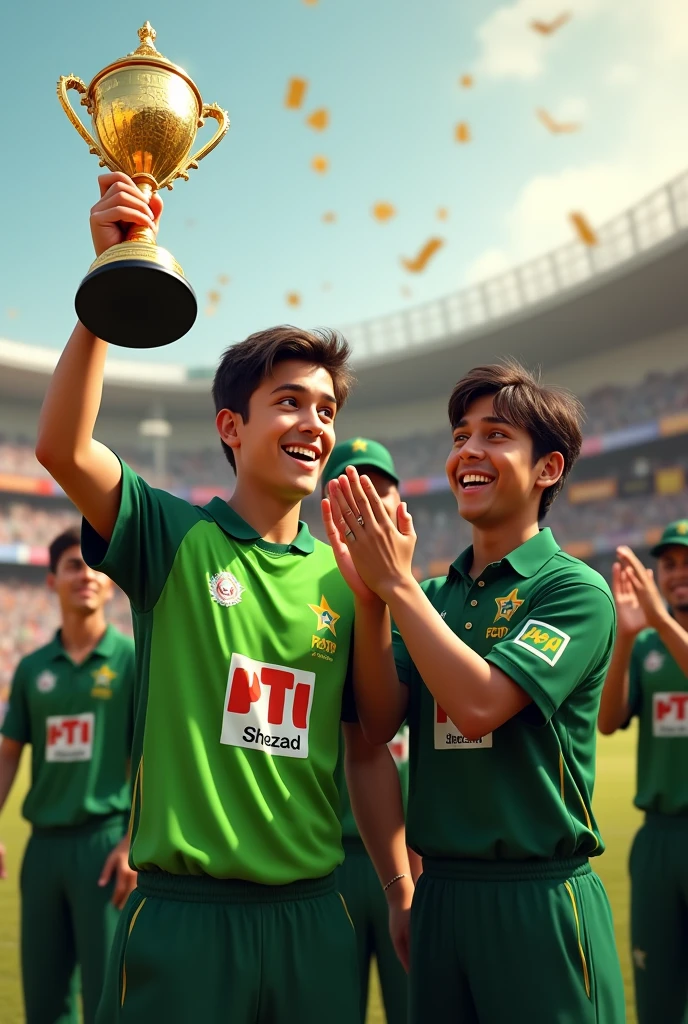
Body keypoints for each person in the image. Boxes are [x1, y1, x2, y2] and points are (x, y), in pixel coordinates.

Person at [34, 172, 412, 1024]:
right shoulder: (171, 538)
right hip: (184, 918)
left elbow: (375, 735)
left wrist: (381, 598)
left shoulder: (345, 580)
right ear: (231, 427)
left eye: (325, 407)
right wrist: (109, 284)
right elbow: (61, 447)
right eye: (288, 402)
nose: (314, 423)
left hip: (315, 916)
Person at [323, 361, 626, 1023]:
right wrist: (373, 603)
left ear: (547, 469)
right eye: (460, 436)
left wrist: (397, 588)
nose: (468, 452)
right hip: (440, 897)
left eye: (495, 435)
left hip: (538, 896)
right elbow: (376, 727)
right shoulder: (434, 597)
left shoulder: (573, 590)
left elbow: (481, 704)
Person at [0, 526, 136, 1024]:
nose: (86, 575)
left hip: (105, 847)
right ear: (50, 580)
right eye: (73, 566)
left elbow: (152, 755)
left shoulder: (132, 659)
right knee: (44, 998)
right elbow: (9, 754)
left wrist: (131, 841)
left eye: (95, 565)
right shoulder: (33, 669)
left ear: (110, 580)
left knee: (107, 1000)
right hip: (43, 851)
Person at [322, 438, 421, 1024]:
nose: (367, 499)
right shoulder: (307, 599)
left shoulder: (432, 606)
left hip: (422, 859)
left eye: (379, 486)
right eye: (349, 486)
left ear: (399, 500)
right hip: (325, 859)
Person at [599, 523, 688, 1024]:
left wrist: (655, 615)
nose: (678, 574)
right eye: (670, 564)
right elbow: (608, 723)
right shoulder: (651, 645)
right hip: (657, 838)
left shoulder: (666, 631)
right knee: (656, 994)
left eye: (687, 562)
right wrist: (628, 639)